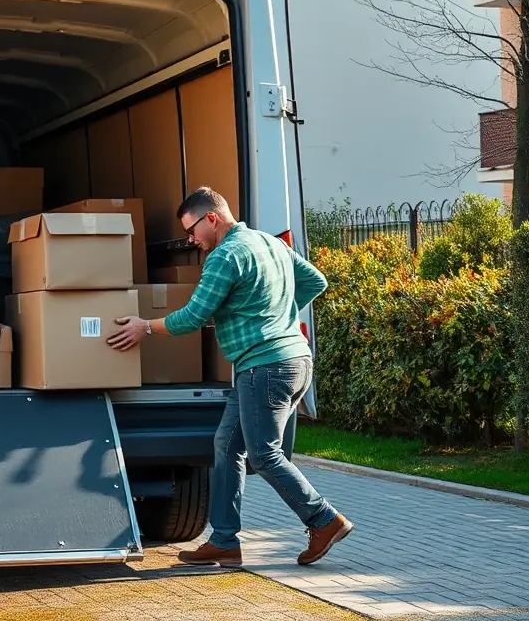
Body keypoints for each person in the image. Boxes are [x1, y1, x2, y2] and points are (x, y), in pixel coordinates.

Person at [107, 187, 353, 567]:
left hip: (265, 367)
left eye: (191, 230)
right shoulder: (269, 243)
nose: (190, 240)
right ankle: (223, 541)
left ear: (212, 218)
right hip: (292, 361)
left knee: (264, 454)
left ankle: (324, 519)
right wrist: (275, 313)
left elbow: (191, 316)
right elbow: (316, 281)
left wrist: (146, 327)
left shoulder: (225, 256)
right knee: (225, 446)